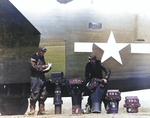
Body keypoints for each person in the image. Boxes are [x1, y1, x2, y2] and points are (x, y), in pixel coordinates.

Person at [28, 47, 52, 115]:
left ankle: (41, 109)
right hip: (35, 77)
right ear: (39, 51)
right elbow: (34, 67)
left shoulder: (41, 57)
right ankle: (32, 109)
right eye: (42, 52)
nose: (43, 53)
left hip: (41, 77)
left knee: (43, 93)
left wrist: (48, 67)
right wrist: (44, 66)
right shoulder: (33, 57)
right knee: (35, 93)